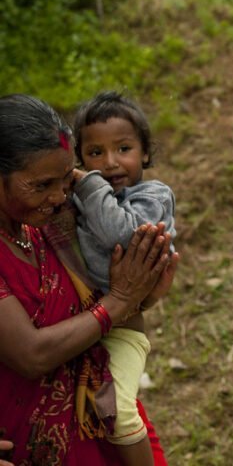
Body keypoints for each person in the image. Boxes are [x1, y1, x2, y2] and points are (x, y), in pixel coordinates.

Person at [0, 93, 177, 465]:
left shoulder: (50, 222)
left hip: (100, 418)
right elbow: (31, 354)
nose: (58, 196)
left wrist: (144, 296)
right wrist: (124, 300)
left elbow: (100, 295)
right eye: (42, 185)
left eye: (66, 180)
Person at [70, 90, 176, 466]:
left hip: (122, 332)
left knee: (119, 413)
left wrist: (89, 184)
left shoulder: (153, 196)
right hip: (80, 325)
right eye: (95, 153)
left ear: (145, 152)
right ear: (80, 157)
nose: (110, 163)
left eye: (124, 148)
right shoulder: (82, 198)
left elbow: (123, 235)